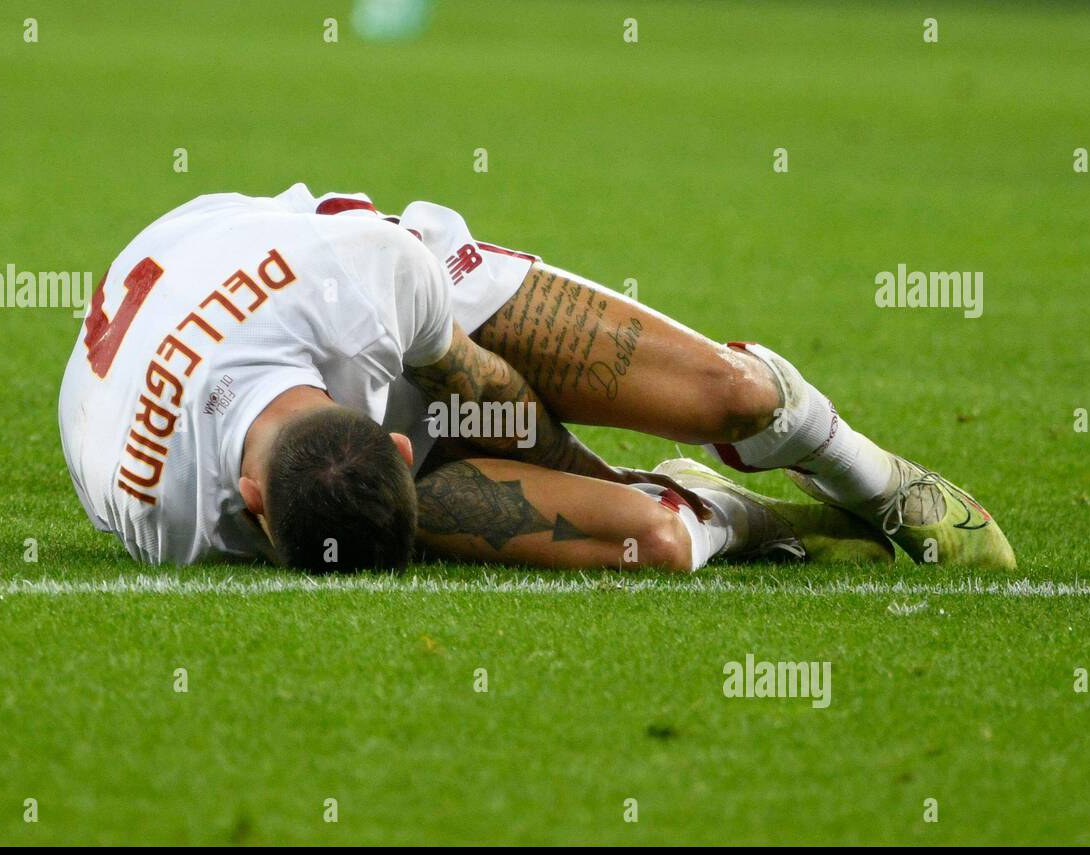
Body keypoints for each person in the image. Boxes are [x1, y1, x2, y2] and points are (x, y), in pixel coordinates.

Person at [58, 184, 1013, 573]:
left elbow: (491, 395)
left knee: (736, 396)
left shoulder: (364, 275)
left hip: (390, 304)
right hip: (298, 405)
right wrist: (638, 506)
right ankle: (750, 515)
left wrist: (595, 479)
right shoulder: (166, 514)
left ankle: (865, 473)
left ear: (251, 496)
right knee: (659, 545)